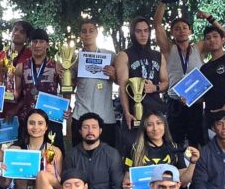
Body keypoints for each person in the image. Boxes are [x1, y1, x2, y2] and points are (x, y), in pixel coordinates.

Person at [154, 0, 213, 148]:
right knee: (174, 143)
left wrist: (209, 17)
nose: (181, 31)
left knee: (197, 143)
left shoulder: (199, 48)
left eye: (184, 28)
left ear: (190, 31)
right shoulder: (168, 49)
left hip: (195, 101)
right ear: (172, 33)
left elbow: (223, 38)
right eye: (177, 29)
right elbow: (157, 24)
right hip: (175, 102)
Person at [1, 108, 64, 189]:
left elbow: (60, 186)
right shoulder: (14, 150)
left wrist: (51, 175)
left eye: (40, 123)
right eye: (32, 123)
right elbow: (5, 184)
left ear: (46, 127)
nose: (36, 127)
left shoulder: (54, 151)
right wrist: (2, 172)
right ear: (26, 125)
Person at [14, 28, 68, 143]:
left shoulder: (56, 66)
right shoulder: (21, 66)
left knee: (53, 151)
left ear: (47, 45)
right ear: (30, 45)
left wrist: (67, 107)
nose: (37, 45)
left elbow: (66, 90)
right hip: (28, 118)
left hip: (51, 118)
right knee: (26, 151)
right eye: (34, 42)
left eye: (41, 42)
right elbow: (16, 94)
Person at [115, 16, 168, 132]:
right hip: (133, 111)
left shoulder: (158, 56)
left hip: (156, 110)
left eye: (146, 31)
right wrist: (126, 112)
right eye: (138, 31)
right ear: (132, 33)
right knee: (134, 143)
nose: (143, 35)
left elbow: (166, 83)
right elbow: (123, 87)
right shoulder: (124, 55)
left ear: (149, 32)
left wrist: (155, 87)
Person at [70, 19, 118, 147]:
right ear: (80, 35)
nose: (87, 34)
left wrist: (114, 75)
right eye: (84, 31)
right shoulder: (74, 59)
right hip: (81, 115)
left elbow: (122, 82)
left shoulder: (111, 56)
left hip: (105, 117)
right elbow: (69, 87)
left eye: (91, 31)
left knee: (107, 155)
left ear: (97, 33)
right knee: (80, 154)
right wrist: (65, 77)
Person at [0, 19, 33, 120]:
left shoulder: (30, 56)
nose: (17, 33)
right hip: (0, 105)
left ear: (27, 38)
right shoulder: (0, 55)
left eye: (22, 32)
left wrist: (17, 108)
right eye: (15, 30)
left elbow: (31, 87)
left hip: (22, 108)